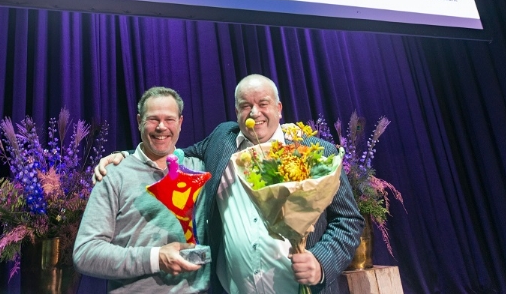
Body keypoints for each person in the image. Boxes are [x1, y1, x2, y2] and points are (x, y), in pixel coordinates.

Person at [95, 74, 364, 293]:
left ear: (279, 109)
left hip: (303, 288)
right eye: (245, 105)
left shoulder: (318, 152)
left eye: (263, 103)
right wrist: (127, 156)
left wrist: (321, 262)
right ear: (236, 112)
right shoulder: (221, 140)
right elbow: (173, 155)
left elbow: (348, 220)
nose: (254, 112)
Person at [73, 86, 210, 293]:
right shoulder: (113, 175)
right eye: (153, 119)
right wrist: (155, 258)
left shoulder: (199, 168)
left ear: (180, 123)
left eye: (169, 119)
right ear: (139, 121)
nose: (161, 127)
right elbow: (85, 253)